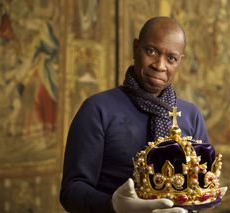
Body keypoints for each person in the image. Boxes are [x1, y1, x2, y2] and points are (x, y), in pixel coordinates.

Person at [60, 16, 213, 213]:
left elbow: (203, 186)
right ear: (135, 48)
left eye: (171, 58)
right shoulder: (97, 109)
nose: (159, 65)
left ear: (180, 62)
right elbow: (71, 192)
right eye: (151, 51)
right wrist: (114, 205)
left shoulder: (191, 115)